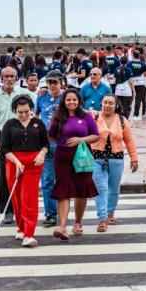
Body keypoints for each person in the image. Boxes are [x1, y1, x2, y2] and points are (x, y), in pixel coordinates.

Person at [48, 88, 100, 240]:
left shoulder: (86, 116)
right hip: (62, 157)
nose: (71, 102)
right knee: (63, 190)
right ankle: (62, 226)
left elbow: (96, 136)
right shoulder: (58, 116)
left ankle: (78, 222)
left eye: (74, 100)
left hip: (82, 156)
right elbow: (50, 135)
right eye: (68, 100)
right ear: (64, 102)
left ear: (79, 101)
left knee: (81, 189)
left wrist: (80, 140)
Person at [1, 95, 50, 248]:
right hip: (13, 162)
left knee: (29, 198)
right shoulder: (9, 125)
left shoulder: (38, 123)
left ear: (31, 110)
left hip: (33, 164)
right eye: (20, 112)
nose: (23, 115)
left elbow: (45, 144)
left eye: (26, 112)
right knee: (16, 198)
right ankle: (21, 228)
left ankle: (29, 234)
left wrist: (41, 154)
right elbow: (5, 148)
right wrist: (16, 162)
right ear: (15, 111)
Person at [0, 67, 31, 225]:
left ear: (17, 77)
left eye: (12, 76)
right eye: (6, 76)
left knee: (23, 173)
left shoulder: (23, 94)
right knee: (4, 175)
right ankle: (8, 210)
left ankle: (23, 207)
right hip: (2, 137)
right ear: (1, 78)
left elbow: (37, 104)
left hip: (22, 135)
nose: (9, 79)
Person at [91, 95, 138, 232]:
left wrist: (134, 158)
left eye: (111, 103)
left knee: (114, 189)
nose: (107, 105)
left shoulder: (122, 120)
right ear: (101, 104)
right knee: (101, 189)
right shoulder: (93, 118)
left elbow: (129, 140)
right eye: (105, 102)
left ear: (116, 105)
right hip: (96, 158)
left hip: (116, 159)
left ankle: (110, 213)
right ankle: (102, 218)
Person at [34, 70, 64, 226]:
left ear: (61, 83)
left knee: (64, 180)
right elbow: (35, 114)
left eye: (55, 82)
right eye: (50, 82)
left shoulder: (66, 97)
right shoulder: (41, 96)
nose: (52, 85)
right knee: (47, 181)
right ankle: (50, 214)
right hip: (46, 145)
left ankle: (63, 213)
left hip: (63, 144)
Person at [128, 51, 146, 120]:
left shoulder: (129, 64)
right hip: (141, 83)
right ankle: (136, 115)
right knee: (138, 100)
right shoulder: (143, 64)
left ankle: (128, 113)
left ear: (133, 55)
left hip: (131, 83)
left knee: (130, 99)